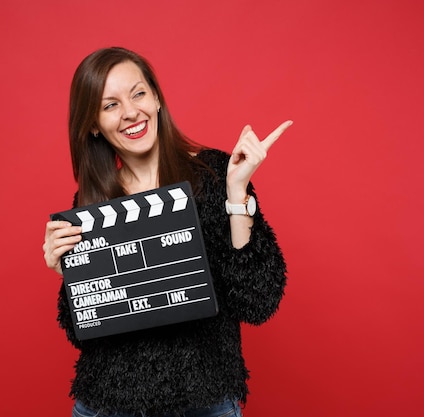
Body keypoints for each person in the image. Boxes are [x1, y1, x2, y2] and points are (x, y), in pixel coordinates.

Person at [43, 47, 291, 417]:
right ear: (94, 123)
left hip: (203, 402)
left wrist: (236, 195)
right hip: (107, 405)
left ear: (156, 98)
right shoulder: (91, 202)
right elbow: (86, 332)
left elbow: (257, 303)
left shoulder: (216, 175)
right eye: (109, 105)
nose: (130, 112)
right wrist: (70, 273)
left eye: (138, 93)